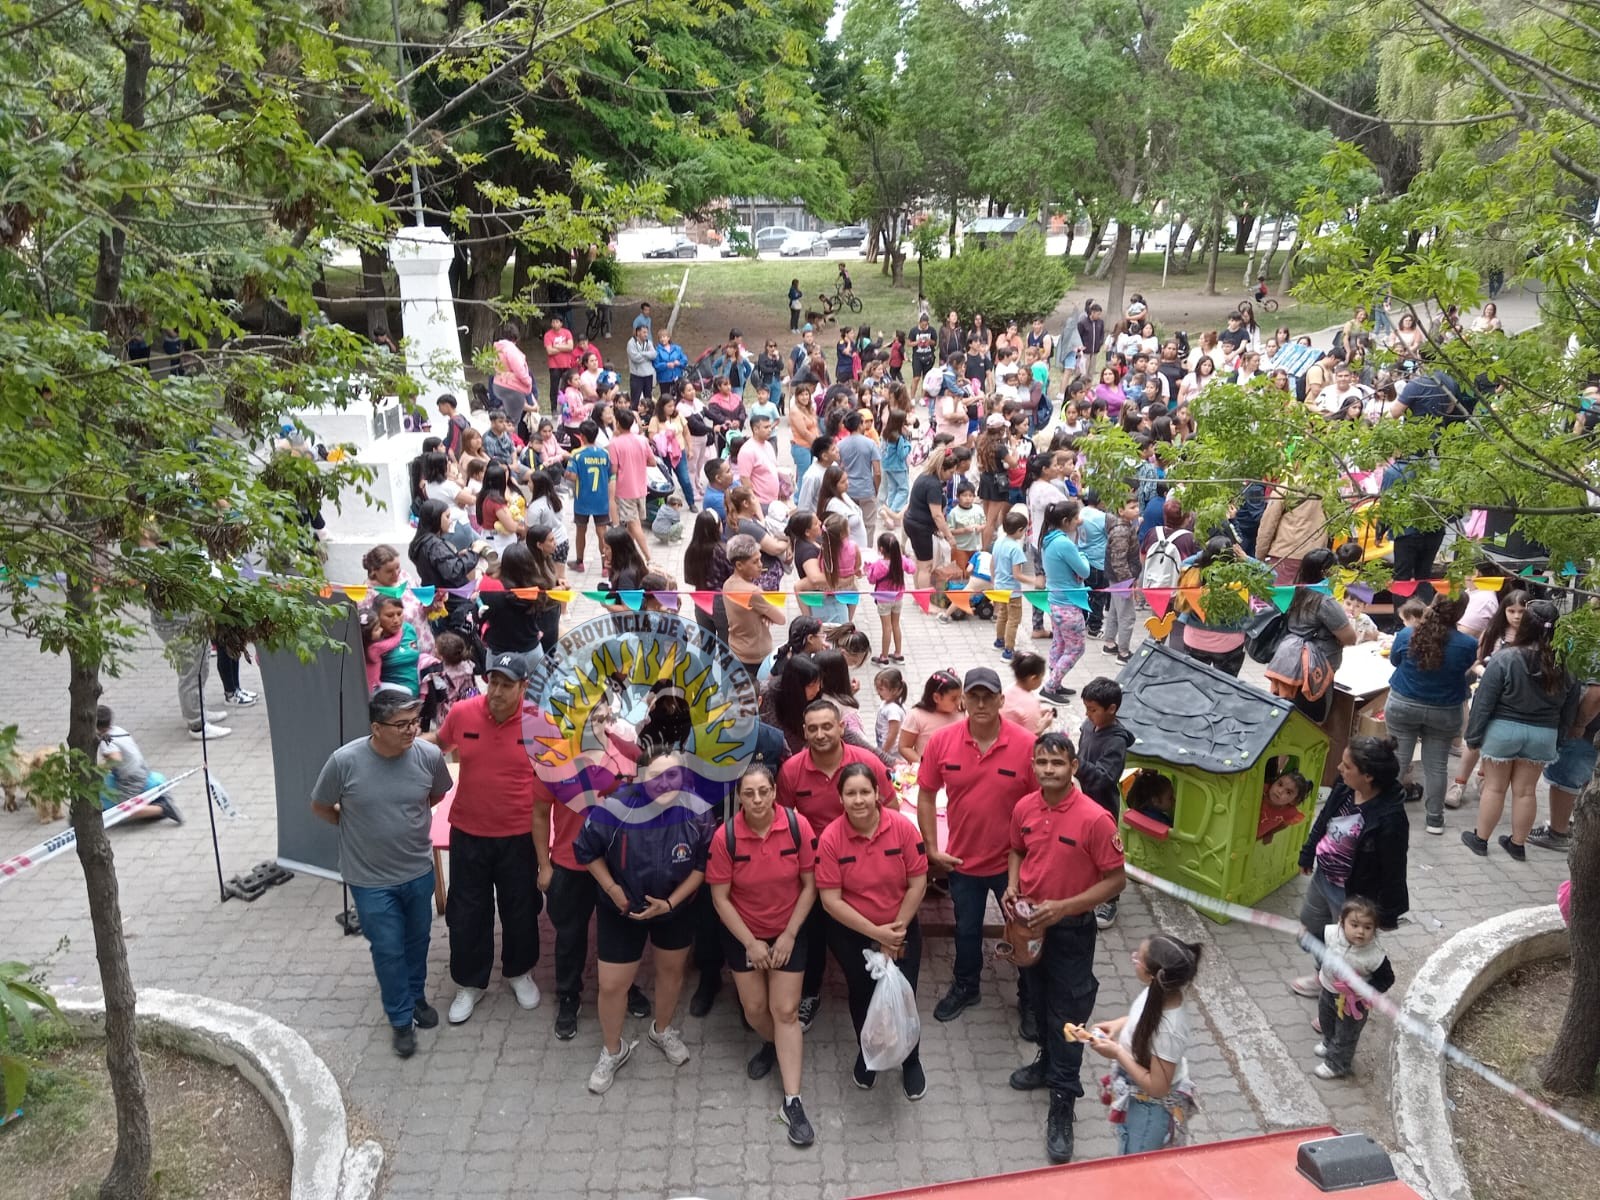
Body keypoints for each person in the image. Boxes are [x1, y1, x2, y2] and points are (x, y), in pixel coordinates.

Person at [311, 687, 454, 1057]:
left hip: (418, 870)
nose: (412, 730)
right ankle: (400, 1019)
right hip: (370, 880)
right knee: (389, 950)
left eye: (415, 721)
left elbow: (435, 795)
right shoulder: (344, 762)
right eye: (402, 724)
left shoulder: (428, 756)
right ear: (376, 728)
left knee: (418, 941)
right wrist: (353, 823)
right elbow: (322, 806)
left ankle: (416, 995)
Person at [1005, 732, 1127, 1164]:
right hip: (1030, 923)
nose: (1048, 770)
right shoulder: (1024, 807)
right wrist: (1011, 885)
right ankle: (1044, 1063)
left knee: (1069, 1014)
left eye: (1057, 763)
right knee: (1036, 1001)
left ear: (1073, 766)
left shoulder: (1096, 819)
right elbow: (1017, 850)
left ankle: (1063, 1101)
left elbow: (1116, 881)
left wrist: (1064, 908)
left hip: (1071, 929)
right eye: (1041, 763)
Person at [573, 746, 715, 1093]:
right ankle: (612, 1050)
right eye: (656, 776)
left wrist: (669, 903)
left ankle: (662, 1030)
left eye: (673, 775)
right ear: (639, 778)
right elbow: (586, 851)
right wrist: (612, 889)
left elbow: (701, 867)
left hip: (674, 909)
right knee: (611, 985)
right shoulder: (614, 808)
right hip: (622, 910)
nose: (665, 783)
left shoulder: (699, 812)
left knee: (671, 971)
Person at [429, 654, 549, 1025]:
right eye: (492, 682)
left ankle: (518, 972)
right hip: (468, 832)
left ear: (524, 687)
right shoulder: (463, 713)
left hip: (519, 836)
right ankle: (470, 982)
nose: (496, 692)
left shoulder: (541, 724)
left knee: (521, 908)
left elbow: (556, 781)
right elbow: (438, 744)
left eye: (506, 685)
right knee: (467, 912)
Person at [918, 667, 1039, 1032]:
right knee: (965, 928)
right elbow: (926, 793)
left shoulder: (1026, 745)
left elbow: (1041, 804)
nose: (982, 703)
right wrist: (931, 848)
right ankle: (967, 986)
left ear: (1002, 700)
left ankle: (1030, 998)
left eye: (990, 696)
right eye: (975, 696)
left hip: (1014, 867)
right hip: (963, 861)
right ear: (964, 701)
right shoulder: (942, 741)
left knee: (1022, 930)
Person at [707, 764, 818, 1147]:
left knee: (785, 1011)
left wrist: (788, 935)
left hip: (789, 929)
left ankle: (792, 1101)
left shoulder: (797, 826)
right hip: (743, 932)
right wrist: (752, 944)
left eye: (763, 791)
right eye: (748, 793)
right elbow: (719, 898)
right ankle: (776, 1044)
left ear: (775, 792)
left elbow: (810, 886)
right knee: (755, 1009)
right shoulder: (727, 837)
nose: (756, 799)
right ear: (739, 796)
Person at [777, 699, 897, 1031]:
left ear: (841, 727)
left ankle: (875, 982)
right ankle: (810, 993)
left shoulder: (866, 762)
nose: (820, 734)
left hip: (866, 860)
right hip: (819, 867)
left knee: (868, 922)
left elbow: (893, 809)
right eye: (812, 728)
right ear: (804, 732)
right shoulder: (792, 771)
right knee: (813, 930)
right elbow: (785, 821)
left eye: (827, 726)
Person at [816, 762, 930, 1099]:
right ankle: (869, 1054)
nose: (859, 799)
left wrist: (896, 930)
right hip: (853, 933)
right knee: (863, 994)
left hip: (901, 928)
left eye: (865, 791)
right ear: (840, 798)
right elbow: (830, 900)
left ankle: (911, 1061)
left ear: (878, 793)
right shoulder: (831, 838)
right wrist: (876, 934)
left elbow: (917, 881)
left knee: (904, 995)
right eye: (850, 793)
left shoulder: (902, 829)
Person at [1289, 737, 1410, 997]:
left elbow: (1395, 870)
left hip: (1351, 894)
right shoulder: (1345, 787)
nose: (1340, 770)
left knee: (1346, 949)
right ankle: (1323, 977)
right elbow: (1324, 818)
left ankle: (1337, 1002)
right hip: (1323, 878)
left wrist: (1387, 914)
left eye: (1347, 766)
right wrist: (1308, 853)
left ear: (1367, 776)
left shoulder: (1391, 818)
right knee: (1312, 928)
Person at [1462, 599, 1579, 861]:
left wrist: (1473, 735)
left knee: (1495, 788)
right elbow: (1570, 708)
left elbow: (1484, 700)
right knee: (1526, 791)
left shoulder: (1506, 657)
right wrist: (1559, 739)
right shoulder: (1565, 663)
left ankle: (1481, 840)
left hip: (1503, 730)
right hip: (1543, 734)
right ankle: (1518, 844)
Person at [1086, 935, 1202, 1154]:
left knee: (1135, 1160)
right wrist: (1118, 1025)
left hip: (1149, 1108)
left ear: (1153, 975)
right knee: (1125, 1141)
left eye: (1138, 958)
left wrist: (1118, 1053)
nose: (1134, 959)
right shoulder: (1160, 991)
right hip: (1136, 1093)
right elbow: (1142, 1017)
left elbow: (1158, 1087)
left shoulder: (1169, 1030)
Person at [1383, 595, 1477, 835]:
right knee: (1437, 766)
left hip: (1404, 703)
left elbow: (1395, 660)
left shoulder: (1407, 635)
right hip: (1444, 710)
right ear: (1460, 613)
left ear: (1431, 605)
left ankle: (1382, 812)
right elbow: (1466, 673)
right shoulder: (1468, 644)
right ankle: (1434, 819)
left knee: (1398, 761)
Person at [1305, 896, 1393, 1082]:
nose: (1360, 932)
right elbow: (1316, 937)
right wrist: (1306, 936)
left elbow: (1387, 978)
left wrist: (1367, 990)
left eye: (1367, 927)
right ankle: (1329, 1043)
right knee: (1326, 1020)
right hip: (1328, 989)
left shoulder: (1374, 956)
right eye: (1354, 925)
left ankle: (1337, 1064)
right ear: (1341, 922)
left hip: (1354, 1003)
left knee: (1346, 1033)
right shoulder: (1332, 934)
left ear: (1375, 930)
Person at [1264, 550, 1356, 722]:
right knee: (1311, 720)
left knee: (1286, 716)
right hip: (1314, 667)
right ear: (1325, 572)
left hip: (1288, 661)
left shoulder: (1294, 592)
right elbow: (1350, 638)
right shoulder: (1324, 601)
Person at [1076, 677, 1134, 928]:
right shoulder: (1089, 727)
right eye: (1086, 708)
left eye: (1093, 710)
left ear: (1111, 709)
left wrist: (1077, 765)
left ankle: (1110, 900)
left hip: (1103, 808)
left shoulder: (1116, 741)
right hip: (1082, 802)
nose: (1088, 715)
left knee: (1107, 852)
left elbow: (1104, 778)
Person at [1039, 500, 1091, 705]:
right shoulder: (1064, 543)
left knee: (1060, 643)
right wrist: (1083, 556)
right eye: (1077, 518)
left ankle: (1055, 681)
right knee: (1076, 648)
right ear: (1065, 521)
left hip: (1055, 601)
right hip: (1068, 604)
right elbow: (1084, 570)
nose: (1080, 521)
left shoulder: (1048, 538)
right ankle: (1050, 687)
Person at [96, 705, 182, 824]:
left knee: (122, 810)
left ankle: (163, 809)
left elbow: (116, 759)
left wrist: (100, 768)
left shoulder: (107, 742)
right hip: (141, 767)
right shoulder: (117, 730)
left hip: (131, 777)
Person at [723, 534, 786, 676]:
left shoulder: (728, 584)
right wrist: (766, 613)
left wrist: (763, 613)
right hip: (755, 655)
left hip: (736, 647)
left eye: (760, 560)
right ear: (739, 565)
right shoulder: (753, 592)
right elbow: (781, 619)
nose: (761, 565)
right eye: (755, 562)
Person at [897, 668, 964, 763]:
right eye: (953, 699)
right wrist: (925, 765)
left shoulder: (962, 712)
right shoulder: (916, 716)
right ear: (936, 697)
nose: (958, 702)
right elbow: (904, 747)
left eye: (960, 697)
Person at [837, 410, 883, 544]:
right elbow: (877, 472)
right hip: (866, 490)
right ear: (859, 425)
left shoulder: (840, 444)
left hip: (848, 491)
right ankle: (866, 553)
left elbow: (839, 468)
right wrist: (876, 488)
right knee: (868, 525)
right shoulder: (870, 444)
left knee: (850, 525)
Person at [363, 596, 421, 694]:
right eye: (390, 616)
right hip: (387, 697)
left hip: (414, 693)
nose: (396, 620)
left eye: (399, 614)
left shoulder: (408, 629)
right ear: (377, 616)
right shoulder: (373, 639)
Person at [492, 323, 535, 435]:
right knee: (511, 423)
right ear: (514, 337)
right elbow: (519, 369)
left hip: (499, 384)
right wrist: (528, 381)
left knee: (504, 418)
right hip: (512, 386)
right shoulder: (510, 349)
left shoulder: (497, 349)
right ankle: (509, 446)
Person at [873, 667, 908, 759]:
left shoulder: (893, 710)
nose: (877, 692)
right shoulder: (889, 703)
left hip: (891, 752)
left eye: (881, 689)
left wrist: (884, 752)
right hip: (886, 748)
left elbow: (893, 734)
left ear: (895, 690)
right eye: (877, 688)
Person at [626, 322, 656, 406]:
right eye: (644, 332)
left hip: (648, 375)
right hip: (637, 375)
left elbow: (654, 355)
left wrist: (643, 353)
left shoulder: (648, 342)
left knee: (648, 398)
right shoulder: (631, 343)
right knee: (635, 399)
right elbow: (635, 358)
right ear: (638, 332)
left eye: (647, 332)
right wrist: (647, 355)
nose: (646, 334)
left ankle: (648, 414)